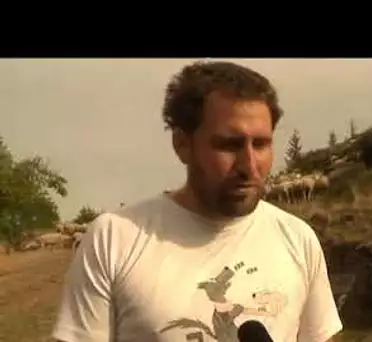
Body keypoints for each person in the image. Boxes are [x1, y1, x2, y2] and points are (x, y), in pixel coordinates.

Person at [52, 61, 343, 342]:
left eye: (261, 144)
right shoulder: (113, 239)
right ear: (182, 144)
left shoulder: (298, 239)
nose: (250, 166)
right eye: (229, 145)